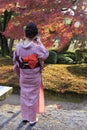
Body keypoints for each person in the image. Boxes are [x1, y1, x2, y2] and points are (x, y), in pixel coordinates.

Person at [13, 22, 49, 126]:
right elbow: (46, 54)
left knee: (24, 96)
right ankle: (32, 119)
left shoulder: (18, 47)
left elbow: (15, 63)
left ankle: (25, 117)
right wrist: (40, 42)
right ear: (35, 35)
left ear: (25, 33)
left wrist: (19, 73)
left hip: (23, 76)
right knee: (33, 97)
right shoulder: (36, 47)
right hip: (34, 77)